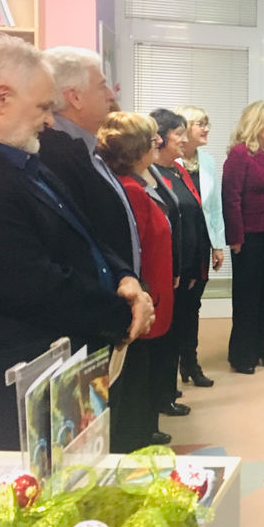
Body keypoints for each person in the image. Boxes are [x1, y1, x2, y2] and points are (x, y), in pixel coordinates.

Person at [0, 36, 153, 450]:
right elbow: (34, 286)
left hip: (66, 367)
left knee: (85, 477)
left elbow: (86, 233)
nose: (50, 121)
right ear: (2, 98)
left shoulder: (19, 157)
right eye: (43, 107)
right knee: (43, 490)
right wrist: (124, 313)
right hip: (18, 390)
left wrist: (125, 277)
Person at [96, 111, 175, 448]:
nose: (158, 143)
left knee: (144, 369)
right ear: (137, 149)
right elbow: (135, 248)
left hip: (153, 290)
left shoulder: (138, 183)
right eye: (152, 139)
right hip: (143, 294)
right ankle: (138, 437)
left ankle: (145, 428)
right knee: (136, 372)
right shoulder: (130, 190)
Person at [38, 46, 140, 275]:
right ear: (75, 97)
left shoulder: (86, 149)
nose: (111, 95)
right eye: (102, 86)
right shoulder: (53, 156)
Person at [222, 101, 264, 373]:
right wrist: (235, 237)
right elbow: (231, 198)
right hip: (250, 236)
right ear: (255, 124)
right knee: (248, 297)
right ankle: (243, 356)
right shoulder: (240, 154)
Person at [150, 108, 209, 416]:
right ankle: (162, 394)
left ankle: (172, 384)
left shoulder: (179, 170)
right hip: (169, 269)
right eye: (179, 134)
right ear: (160, 139)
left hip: (189, 265)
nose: (185, 140)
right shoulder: (151, 175)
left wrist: (197, 263)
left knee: (184, 325)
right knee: (167, 333)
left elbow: (195, 216)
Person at [175, 105, 226, 387]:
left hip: (202, 242)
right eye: (200, 124)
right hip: (179, 244)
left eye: (207, 124)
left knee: (193, 304)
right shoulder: (168, 162)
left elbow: (214, 207)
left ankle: (190, 363)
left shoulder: (207, 161)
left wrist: (218, 245)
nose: (206, 129)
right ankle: (169, 368)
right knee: (177, 306)